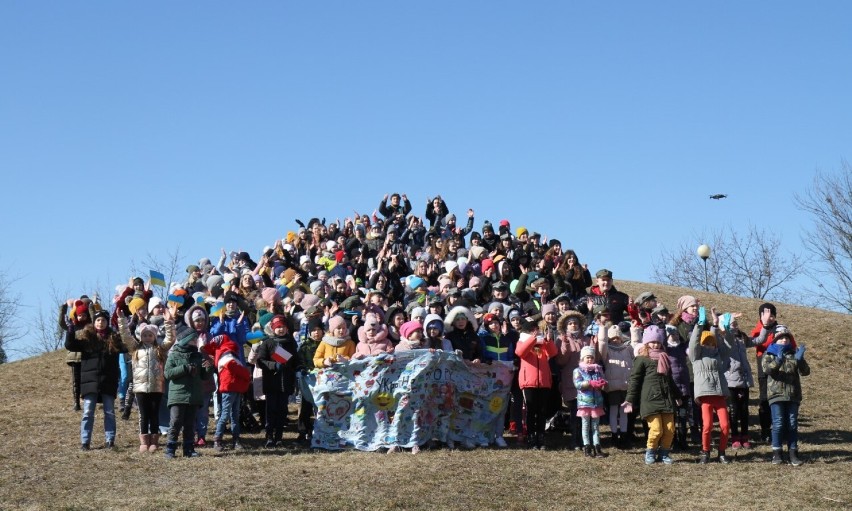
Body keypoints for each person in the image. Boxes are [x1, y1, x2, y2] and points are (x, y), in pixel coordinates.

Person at [64, 309, 127, 450]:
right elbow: (70, 345)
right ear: (94, 322)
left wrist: (125, 324)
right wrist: (70, 330)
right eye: (98, 320)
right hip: (89, 381)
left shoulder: (114, 339)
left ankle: (110, 440)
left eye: (104, 320)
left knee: (109, 412)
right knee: (88, 412)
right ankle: (85, 442)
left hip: (108, 381)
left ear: (107, 322)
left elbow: (127, 347)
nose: (101, 322)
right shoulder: (87, 339)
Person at [117, 308, 176, 453]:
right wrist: (121, 320)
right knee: (143, 415)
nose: (147, 337)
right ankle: (144, 441)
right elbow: (125, 336)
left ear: (154, 336)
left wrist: (169, 321)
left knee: (154, 414)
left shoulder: (160, 350)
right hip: (141, 388)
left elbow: (171, 339)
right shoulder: (135, 348)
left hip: (156, 387)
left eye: (150, 335)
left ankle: (154, 441)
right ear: (140, 336)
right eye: (145, 335)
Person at [624, 325, 681, 465]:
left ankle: (664, 453)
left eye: (658, 342)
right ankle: (650, 451)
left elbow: (669, 379)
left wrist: (677, 395)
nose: (655, 344)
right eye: (652, 342)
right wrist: (629, 400)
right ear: (646, 342)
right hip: (650, 399)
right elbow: (635, 380)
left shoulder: (664, 357)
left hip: (666, 398)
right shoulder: (641, 359)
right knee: (656, 429)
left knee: (669, 429)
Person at [763, 324, 810, 466]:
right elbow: (767, 370)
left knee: (792, 424)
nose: (784, 341)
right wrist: (778, 360)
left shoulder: (793, 354)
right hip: (776, 394)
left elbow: (805, 372)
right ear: (775, 340)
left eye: (786, 338)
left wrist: (800, 360)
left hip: (793, 395)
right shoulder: (769, 355)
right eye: (781, 338)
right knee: (778, 424)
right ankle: (777, 453)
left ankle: (793, 453)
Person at [164, 327, 213, 459]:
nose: (196, 341)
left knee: (190, 424)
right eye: (194, 339)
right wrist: (185, 368)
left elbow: (204, 377)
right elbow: (168, 373)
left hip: (193, 395)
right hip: (178, 396)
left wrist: (209, 367)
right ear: (186, 340)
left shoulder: (198, 356)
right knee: (175, 422)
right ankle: (170, 449)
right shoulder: (174, 355)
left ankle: (188, 449)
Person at [689, 314, 732, 464]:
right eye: (706, 343)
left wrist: (725, 331)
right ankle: (705, 451)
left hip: (720, 394)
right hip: (705, 395)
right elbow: (693, 342)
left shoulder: (719, 356)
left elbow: (728, 347)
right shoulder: (696, 356)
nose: (709, 346)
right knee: (707, 426)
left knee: (725, 426)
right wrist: (699, 326)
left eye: (712, 343)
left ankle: (721, 452)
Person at [204, 334, 251, 452]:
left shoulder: (223, 354)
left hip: (232, 387)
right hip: (230, 388)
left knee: (234, 415)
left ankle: (235, 439)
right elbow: (235, 368)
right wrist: (247, 375)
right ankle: (218, 439)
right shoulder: (227, 355)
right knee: (226, 414)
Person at [257, 314, 299, 447]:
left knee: (282, 410)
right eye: (278, 327)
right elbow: (260, 361)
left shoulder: (290, 342)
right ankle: (269, 436)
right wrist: (273, 365)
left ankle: (279, 436)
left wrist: (299, 367)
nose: (281, 329)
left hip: (286, 382)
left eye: (283, 327)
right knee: (271, 410)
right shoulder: (267, 343)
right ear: (273, 328)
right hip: (271, 382)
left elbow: (296, 360)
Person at [516, 322, 557, 450]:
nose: (537, 332)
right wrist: (532, 339)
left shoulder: (543, 344)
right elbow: (520, 352)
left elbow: (553, 353)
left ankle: (541, 435)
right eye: (534, 330)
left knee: (542, 411)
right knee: (530, 410)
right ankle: (531, 436)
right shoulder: (523, 341)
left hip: (544, 382)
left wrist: (549, 340)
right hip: (529, 382)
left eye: (537, 330)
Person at [597, 324, 634, 449]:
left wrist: (634, 330)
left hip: (626, 385)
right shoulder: (607, 351)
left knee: (624, 412)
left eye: (618, 338)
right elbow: (601, 343)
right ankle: (614, 434)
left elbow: (636, 343)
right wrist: (603, 329)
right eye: (613, 338)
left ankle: (623, 434)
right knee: (613, 411)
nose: (615, 340)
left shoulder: (627, 349)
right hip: (612, 386)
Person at [574, 345, 607, 458]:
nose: (589, 360)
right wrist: (589, 383)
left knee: (595, 426)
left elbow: (603, 380)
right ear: (582, 358)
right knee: (585, 425)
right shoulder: (578, 370)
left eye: (591, 357)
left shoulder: (598, 369)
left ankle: (597, 447)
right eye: (587, 357)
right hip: (584, 403)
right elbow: (577, 384)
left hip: (596, 402)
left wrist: (602, 383)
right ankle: (587, 447)